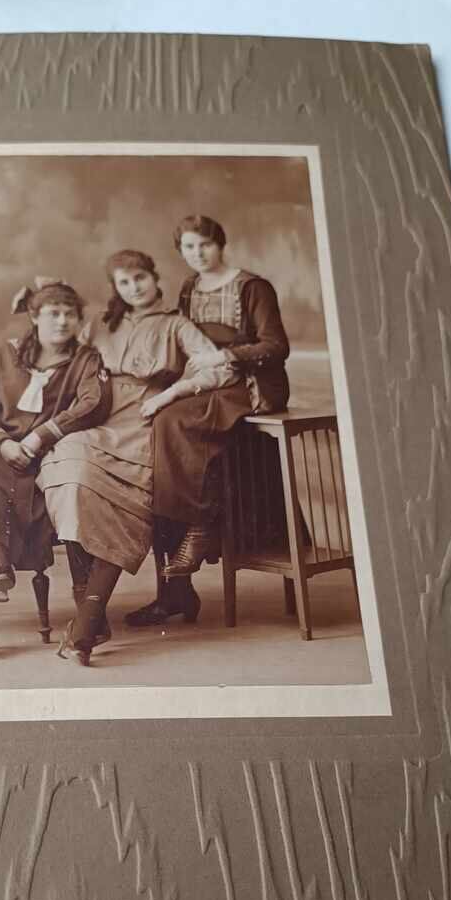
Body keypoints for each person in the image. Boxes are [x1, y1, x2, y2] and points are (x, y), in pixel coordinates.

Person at [37, 249, 238, 665]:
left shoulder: (176, 324)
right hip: (97, 415)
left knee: (124, 502)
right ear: (116, 288)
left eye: (140, 278)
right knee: (67, 470)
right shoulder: (99, 324)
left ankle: (87, 624)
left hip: (146, 420)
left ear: (153, 277)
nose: (134, 288)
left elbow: (220, 369)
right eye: (124, 283)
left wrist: (171, 393)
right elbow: (59, 351)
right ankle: (88, 609)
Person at [0, 279, 111, 661]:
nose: (62, 321)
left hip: (47, 454)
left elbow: (92, 403)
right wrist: (2, 441)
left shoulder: (85, 360)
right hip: (0, 450)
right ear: (35, 316)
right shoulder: (4, 354)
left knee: (66, 476)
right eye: (53, 313)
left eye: (70, 314)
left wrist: (40, 436)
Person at [125, 213, 292, 628]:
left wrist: (224, 356)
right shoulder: (189, 287)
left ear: (221, 244)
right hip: (208, 382)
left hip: (251, 383)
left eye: (205, 245)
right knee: (158, 423)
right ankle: (174, 590)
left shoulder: (252, 287)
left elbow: (276, 345)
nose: (198, 254)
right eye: (189, 247)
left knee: (172, 422)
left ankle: (199, 527)